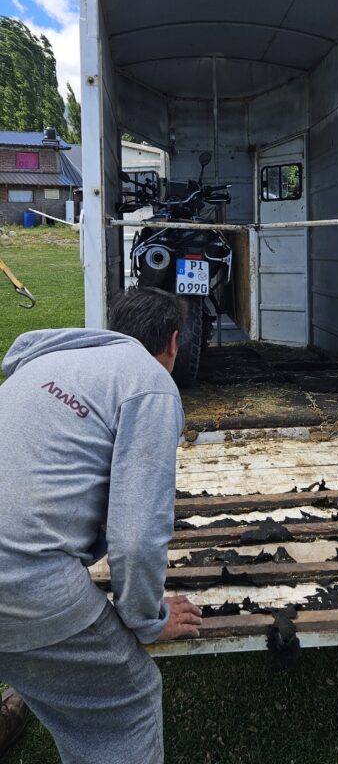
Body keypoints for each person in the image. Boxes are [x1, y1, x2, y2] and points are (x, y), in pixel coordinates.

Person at [0, 286, 202, 763]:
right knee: (127, 702)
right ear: (173, 342)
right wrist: (147, 622)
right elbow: (136, 539)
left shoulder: (48, 362)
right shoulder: (149, 382)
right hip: (19, 578)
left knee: (49, 671)